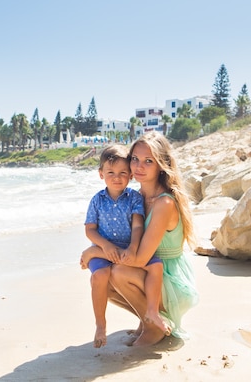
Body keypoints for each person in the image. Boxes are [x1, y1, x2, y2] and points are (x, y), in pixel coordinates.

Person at [81, 131, 198, 347]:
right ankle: (146, 320)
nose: (138, 167)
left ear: (161, 165)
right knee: (100, 281)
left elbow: (140, 259)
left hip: (167, 280)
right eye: (134, 159)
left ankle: (154, 326)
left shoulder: (164, 203)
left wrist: (93, 252)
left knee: (118, 272)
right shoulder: (136, 197)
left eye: (148, 161)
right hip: (151, 274)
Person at [83, 144, 168, 348]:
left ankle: (151, 314)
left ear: (130, 175)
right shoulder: (97, 200)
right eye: (110, 172)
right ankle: (100, 325)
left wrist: (132, 248)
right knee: (100, 277)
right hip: (104, 250)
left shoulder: (134, 198)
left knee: (155, 266)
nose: (117, 177)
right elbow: (90, 229)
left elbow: (138, 225)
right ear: (101, 174)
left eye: (123, 173)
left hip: (129, 248)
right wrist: (102, 247)